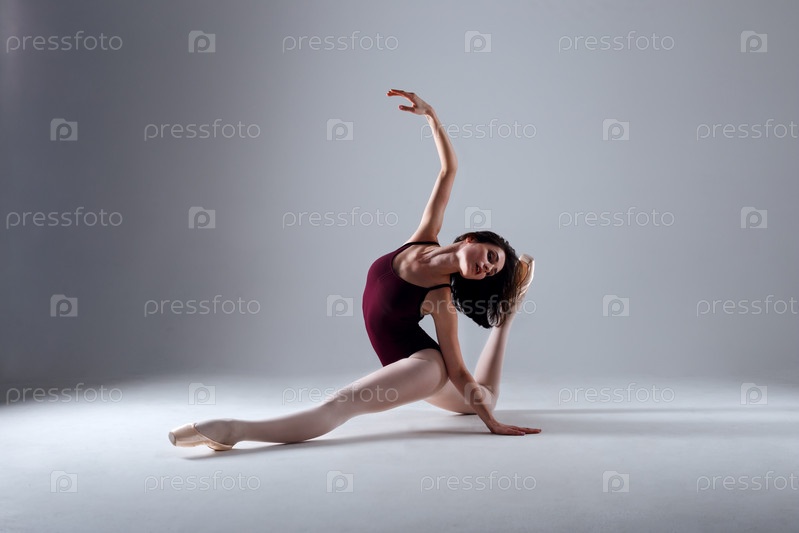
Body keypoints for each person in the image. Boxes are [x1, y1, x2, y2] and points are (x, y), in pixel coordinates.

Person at [169, 89, 540, 451]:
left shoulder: (440, 298)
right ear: (472, 238)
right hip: (409, 367)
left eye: (491, 273)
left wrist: (491, 423)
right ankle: (508, 314)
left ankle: (231, 430)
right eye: (491, 257)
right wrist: (431, 116)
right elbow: (449, 170)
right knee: (482, 395)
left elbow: (457, 372)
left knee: (344, 404)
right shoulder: (423, 237)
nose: (486, 268)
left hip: (425, 368)